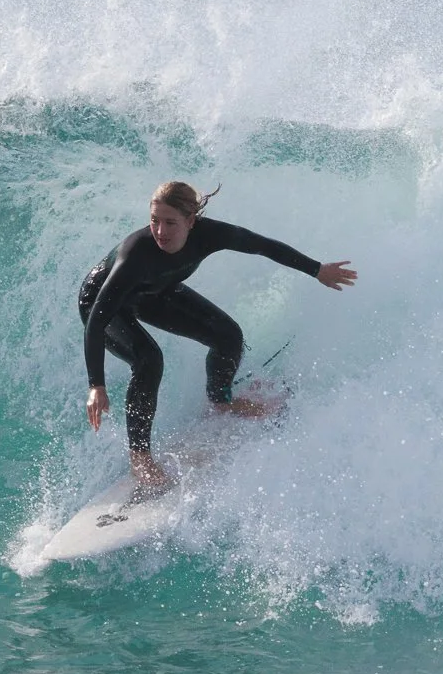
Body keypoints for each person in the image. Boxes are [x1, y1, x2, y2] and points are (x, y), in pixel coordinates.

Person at [80, 181, 357, 491]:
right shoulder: (135, 256)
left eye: (170, 222)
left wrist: (316, 269)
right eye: (155, 220)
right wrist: (96, 385)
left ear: (191, 222)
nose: (160, 231)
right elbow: (96, 320)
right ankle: (140, 456)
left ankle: (220, 399)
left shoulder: (210, 235)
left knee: (228, 336)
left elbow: (261, 245)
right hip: (101, 305)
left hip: (153, 293)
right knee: (148, 359)